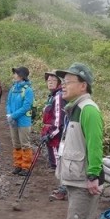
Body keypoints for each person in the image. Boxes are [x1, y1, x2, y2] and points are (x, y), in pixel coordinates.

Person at [51, 63, 104, 219]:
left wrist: (94, 175)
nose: (64, 84)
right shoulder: (75, 107)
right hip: (76, 178)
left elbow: (95, 144)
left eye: (69, 81)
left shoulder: (88, 110)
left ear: (83, 86)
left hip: (84, 180)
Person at [41, 71, 67, 201]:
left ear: (59, 82)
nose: (50, 81)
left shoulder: (58, 96)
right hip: (52, 134)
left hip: (56, 137)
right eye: (48, 79)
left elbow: (58, 121)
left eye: (53, 79)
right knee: (57, 163)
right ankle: (62, 189)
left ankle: (63, 190)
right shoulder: (53, 95)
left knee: (59, 164)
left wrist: (50, 135)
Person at [6, 66, 35, 176]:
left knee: (25, 144)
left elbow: (26, 106)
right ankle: (18, 164)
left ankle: (26, 166)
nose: (14, 75)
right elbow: (8, 103)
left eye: (16, 73)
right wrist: (9, 114)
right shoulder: (13, 88)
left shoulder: (28, 90)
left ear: (21, 76)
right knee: (16, 143)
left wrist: (12, 115)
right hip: (13, 120)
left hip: (23, 121)